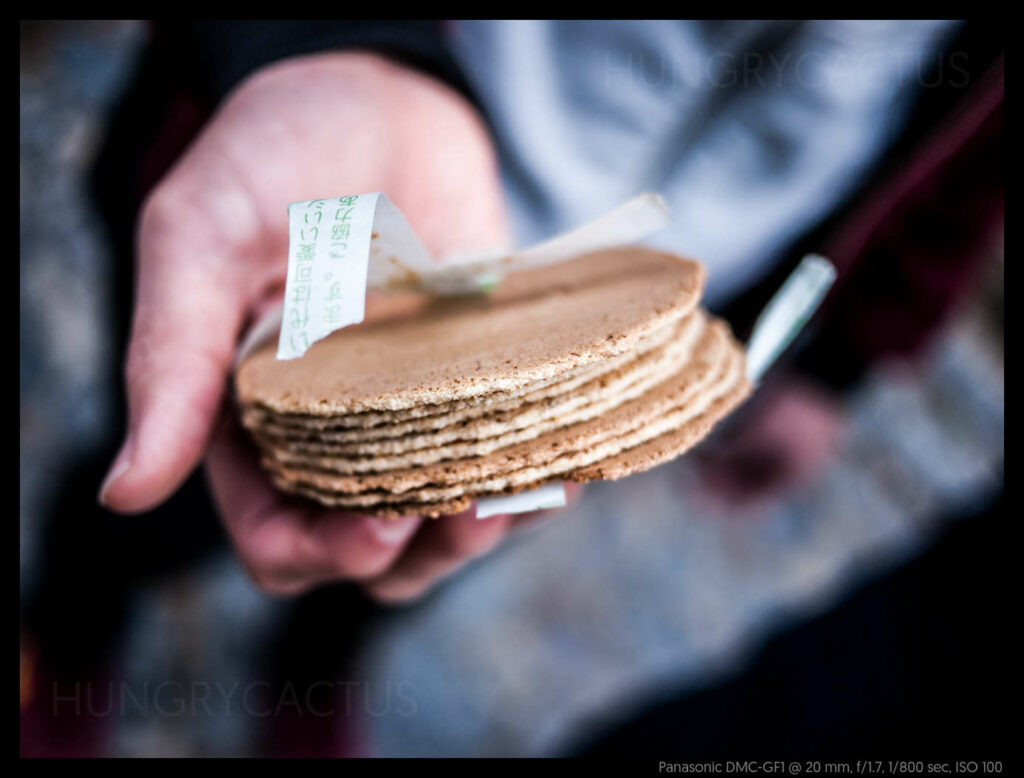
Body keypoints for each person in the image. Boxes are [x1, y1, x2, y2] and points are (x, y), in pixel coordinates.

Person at [22, 20, 1003, 757]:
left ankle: (317, 668)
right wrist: (315, 43)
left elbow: (974, 156)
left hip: (651, 330)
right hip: (379, 179)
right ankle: (69, 625)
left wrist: (844, 361)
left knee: (438, 538)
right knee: (177, 467)